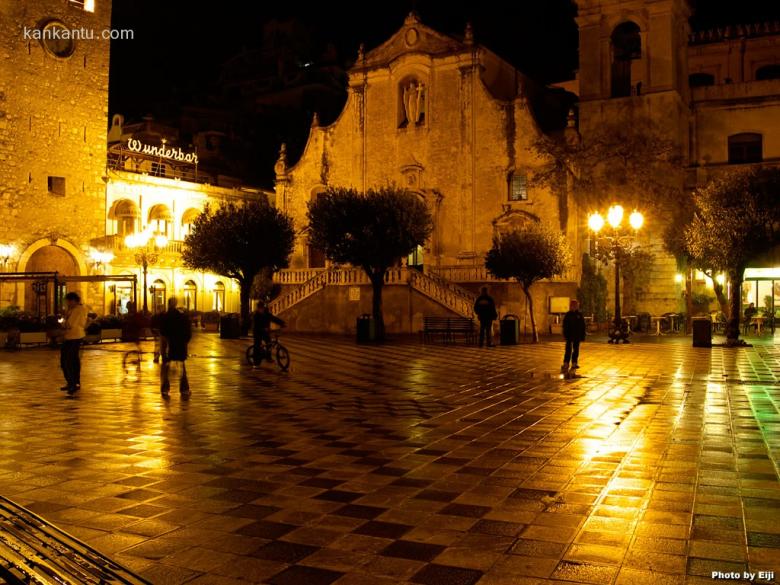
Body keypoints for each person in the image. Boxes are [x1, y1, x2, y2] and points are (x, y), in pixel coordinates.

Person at [159, 297, 192, 397]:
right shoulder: (182, 316)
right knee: (182, 368)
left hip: (169, 344)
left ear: (168, 304)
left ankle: (165, 388)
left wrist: (163, 347)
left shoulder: (165, 316)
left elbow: (163, 332)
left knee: (166, 367)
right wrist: (185, 342)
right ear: (176, 303)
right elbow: (188, 332)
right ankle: (184, 389)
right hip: (180, 345)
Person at [60, 292, 87, 394]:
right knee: (70, 360)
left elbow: (70, 324)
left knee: (68, 361)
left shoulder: (78, 310)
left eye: (68, 301)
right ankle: (73, 382)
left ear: (73, 300)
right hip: (70, 337)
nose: (67, 303)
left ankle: (73, 383)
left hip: (75, 337)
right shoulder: (72, 310)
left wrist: (63, 322)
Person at [252, 301, 285, 368]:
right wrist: (263, 328)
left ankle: (268, 357)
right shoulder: (256, 315)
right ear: (258, 308)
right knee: (257, 346)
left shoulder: (266, 314)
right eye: (260, 308)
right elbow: (255, 325)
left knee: (269, 343)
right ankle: (256, 363)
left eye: (262, 308)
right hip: (257, 332)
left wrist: (282, 323)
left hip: (265, 332)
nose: (261, 309)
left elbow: (274, 318)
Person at [562, 299, 586, 374]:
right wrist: (565, 334)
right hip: (569, 335)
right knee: (568, 349)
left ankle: (574, 363)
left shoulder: (579, 314)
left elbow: (582, 325)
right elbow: (565, 325)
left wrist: (582, 335)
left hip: (577, 335)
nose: (575, 307)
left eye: (576, 305)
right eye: (573, 305)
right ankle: (566, 363)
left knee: (576, 349)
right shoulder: (568, 314)